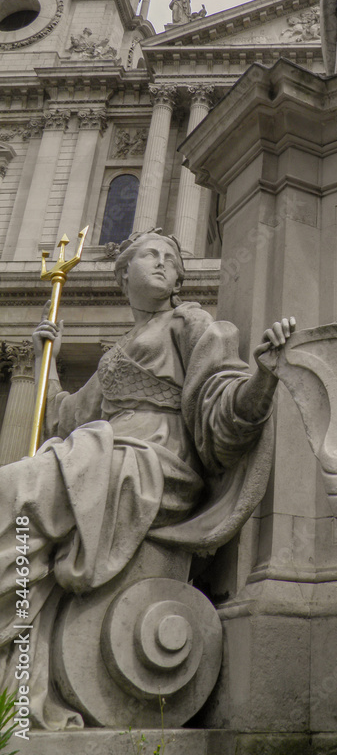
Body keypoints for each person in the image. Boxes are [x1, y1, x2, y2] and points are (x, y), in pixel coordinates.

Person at [0, 229, 295, 728]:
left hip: (154, 464)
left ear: (181, 278)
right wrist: (45, 362)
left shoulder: (190, 324)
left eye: (170, 259)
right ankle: (19, 665)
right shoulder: (116, 355)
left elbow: (224, 413)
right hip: (102, 452)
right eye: (149, 256)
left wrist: (262, 379)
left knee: (20, 489)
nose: (162, 264)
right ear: (123, 275)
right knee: (17, 492)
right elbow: (66, 417)